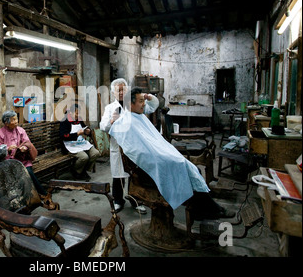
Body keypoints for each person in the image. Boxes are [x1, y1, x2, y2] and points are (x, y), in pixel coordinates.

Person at [109, 87, 234, 220]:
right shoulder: (125, 122)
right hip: (148, 167)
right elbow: (135, 150)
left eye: (143, 101)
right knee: (184, 168)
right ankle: (208, 209)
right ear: (130, 104)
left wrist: (148, 97)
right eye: (140, 101)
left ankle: (204, 208)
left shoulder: (138, 116)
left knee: (190, 168)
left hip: (158, 158)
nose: (144, 104)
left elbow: (153, 104)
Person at [100, 79, 157, 214]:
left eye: (123, 89)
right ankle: (118, 201)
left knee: (135, 175)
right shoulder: (110, 108)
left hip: (134, 147)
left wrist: (150, 98)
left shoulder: (133, 104)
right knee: (118, 177)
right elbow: (103, 127)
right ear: (113, 92)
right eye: (118, 90)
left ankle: (136, 201)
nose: (121, 92)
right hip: (118, 149)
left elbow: (152, 107)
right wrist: (111, 121)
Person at [0, 110, 47, 196]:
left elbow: (27, 142)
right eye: (13, 119)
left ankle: (40, 193)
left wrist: (24, 148)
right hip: (8, 162)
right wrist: (7, 149)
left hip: (22, 159)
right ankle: (36, 194)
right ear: (6, 123)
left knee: (28, 171)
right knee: (20, 173)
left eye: (16, 119)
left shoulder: (20, 130)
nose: (16, 121)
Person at [60, 104, 101, 181]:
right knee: (84, 157)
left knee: (95, 153)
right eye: (76, 113)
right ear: (71, 113)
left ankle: (82, 171)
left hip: (80, 143)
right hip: (70, 145)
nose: (78, 115)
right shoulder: (65, 121)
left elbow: (84, 128)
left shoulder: (79, 119)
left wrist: (87, 131)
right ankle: (76, 171)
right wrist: (76, 134)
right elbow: (63, 136)